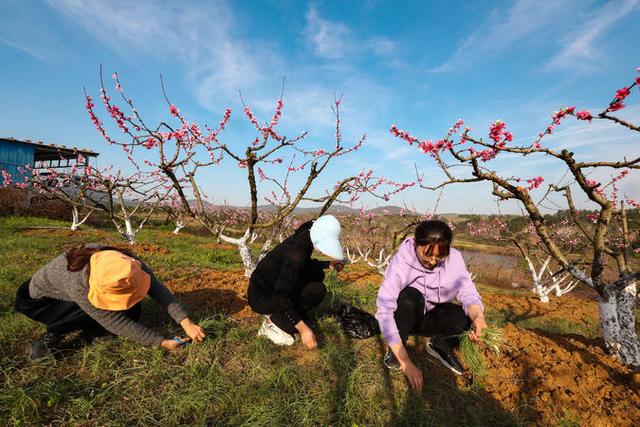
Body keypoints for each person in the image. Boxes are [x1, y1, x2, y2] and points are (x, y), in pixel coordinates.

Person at [15, 243, 206, 360]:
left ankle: (93, 331)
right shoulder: (77, 282)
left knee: (133, 309)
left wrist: (186, 322)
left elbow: (156, 288)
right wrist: (162, 342)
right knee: (90, 313)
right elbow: (115, 322)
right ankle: (51, 336)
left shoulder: (126, 262)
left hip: (66, 294)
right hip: (40, 301)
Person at [375, 220, 487, 392]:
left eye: (439, 256)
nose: (433, 261)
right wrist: (406, 362)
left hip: (434, 314)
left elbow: (468, 293)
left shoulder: (454, 259)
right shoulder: (403, 261)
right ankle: (396, 349)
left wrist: (478, 316)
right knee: (408, 297)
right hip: (408, 314)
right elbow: (384, 310)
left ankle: (440, 345)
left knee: (466, 318)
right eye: (427, 255)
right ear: (415, 243)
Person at [248, 215, 345, 349]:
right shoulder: (296, 253)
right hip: (262, 297)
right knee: (317, 290)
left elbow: (303, 265)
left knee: (317, 275)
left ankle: (285, 316)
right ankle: (272, 325)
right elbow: (281, 296)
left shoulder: (305, 235)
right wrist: (303, 329)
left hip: (270, 285)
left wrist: (328, 264)